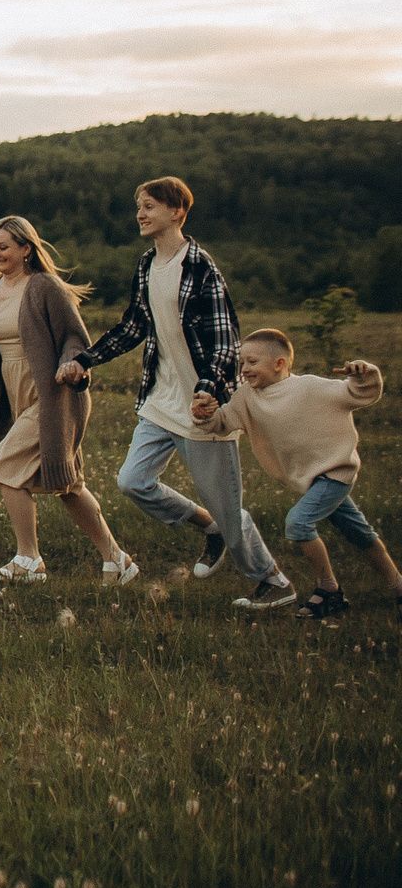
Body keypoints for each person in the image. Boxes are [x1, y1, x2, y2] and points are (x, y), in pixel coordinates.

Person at [56, 176, 293, 609]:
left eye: (149, 206)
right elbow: (133, 326)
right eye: (139, 206)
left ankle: (274, 582)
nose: (140, 214)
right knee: (133, 481)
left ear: (177, 212)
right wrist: (85, 360)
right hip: (161, 401)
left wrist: (208, 390)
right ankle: (210, 529)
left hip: (204, 407)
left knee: (228, 509)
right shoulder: (148, 265)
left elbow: (226, 341)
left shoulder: (200, 266)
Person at [0, 216, 137, 583]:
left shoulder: (45, 288)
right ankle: (118, 561)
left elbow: (74, 337)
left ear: (25, 249)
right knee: (68, 485)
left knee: (4, 468)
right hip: (16, 396)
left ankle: (28, 561)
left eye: (3, 247)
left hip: (53, 397)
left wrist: (72, 363)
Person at [192, 333, 396, 618]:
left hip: (335, 472)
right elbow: (223, 422)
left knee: (298, 524)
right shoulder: (246, 397)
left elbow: (361, 393)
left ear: (279, 363)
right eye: (242, 363)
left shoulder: (310, 387)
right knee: (360, 534)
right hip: (311, 482)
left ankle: (329, 591)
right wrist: (205, 416)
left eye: (252, 361)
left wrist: (364, 373)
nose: (245, 369)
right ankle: (398, 587)